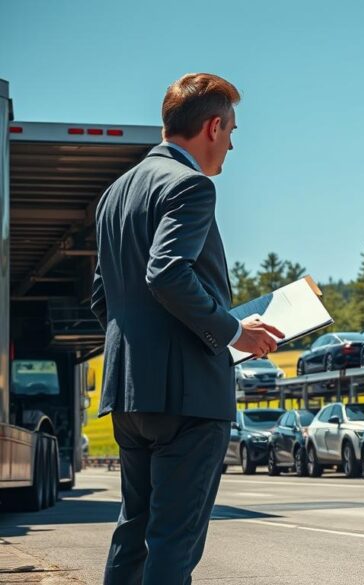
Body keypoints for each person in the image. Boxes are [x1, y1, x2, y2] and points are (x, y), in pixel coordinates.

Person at [91, 73, 284, 584]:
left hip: (130, 393)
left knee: (132, 532)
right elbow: (167, 273)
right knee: (174, 543)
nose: (232, 145)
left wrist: (146, 344)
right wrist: (234, 332)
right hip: (189, 398)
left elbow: (101, 297)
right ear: (213, 126)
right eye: (232, 132)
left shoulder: (114, 195)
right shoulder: (190, 185)